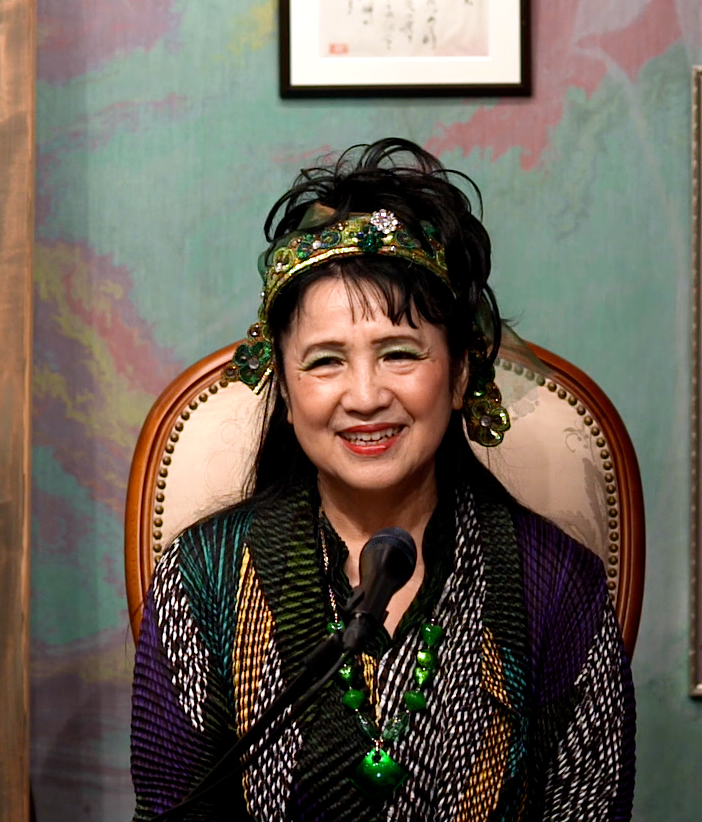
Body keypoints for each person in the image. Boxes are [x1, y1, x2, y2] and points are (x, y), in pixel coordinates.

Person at [130, 139, 635, 821]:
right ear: (284, 392)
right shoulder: (204, 579)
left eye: (399, 354)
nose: (365, 396)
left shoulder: (557, 586)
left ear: (459, 374)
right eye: (325, 361)